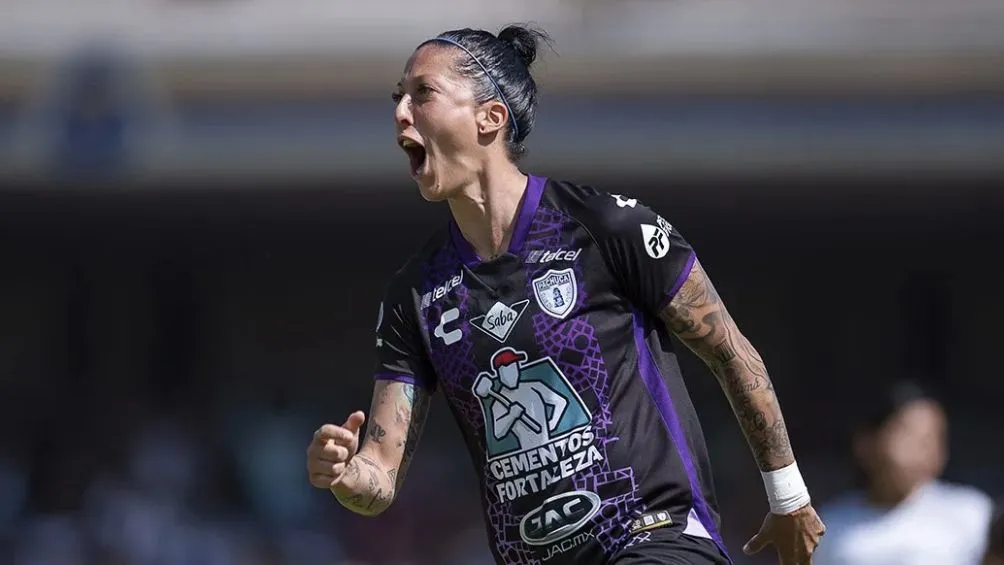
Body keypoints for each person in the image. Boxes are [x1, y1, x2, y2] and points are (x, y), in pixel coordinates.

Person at [306, 24, 825, 565]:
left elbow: (731, 354)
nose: (401, 113)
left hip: (656, 537)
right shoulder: (416, 292)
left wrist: (787, 497)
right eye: (398, 97)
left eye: (423, 93)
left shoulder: (604, 227)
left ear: (490, 117)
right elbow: (379, 478)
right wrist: (343, 475)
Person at [814, 381, 993, 565]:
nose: (925, 450)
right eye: (910, 435)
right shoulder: (829, 526)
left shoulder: (973, 514)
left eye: (932, 438)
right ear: (866, 443)